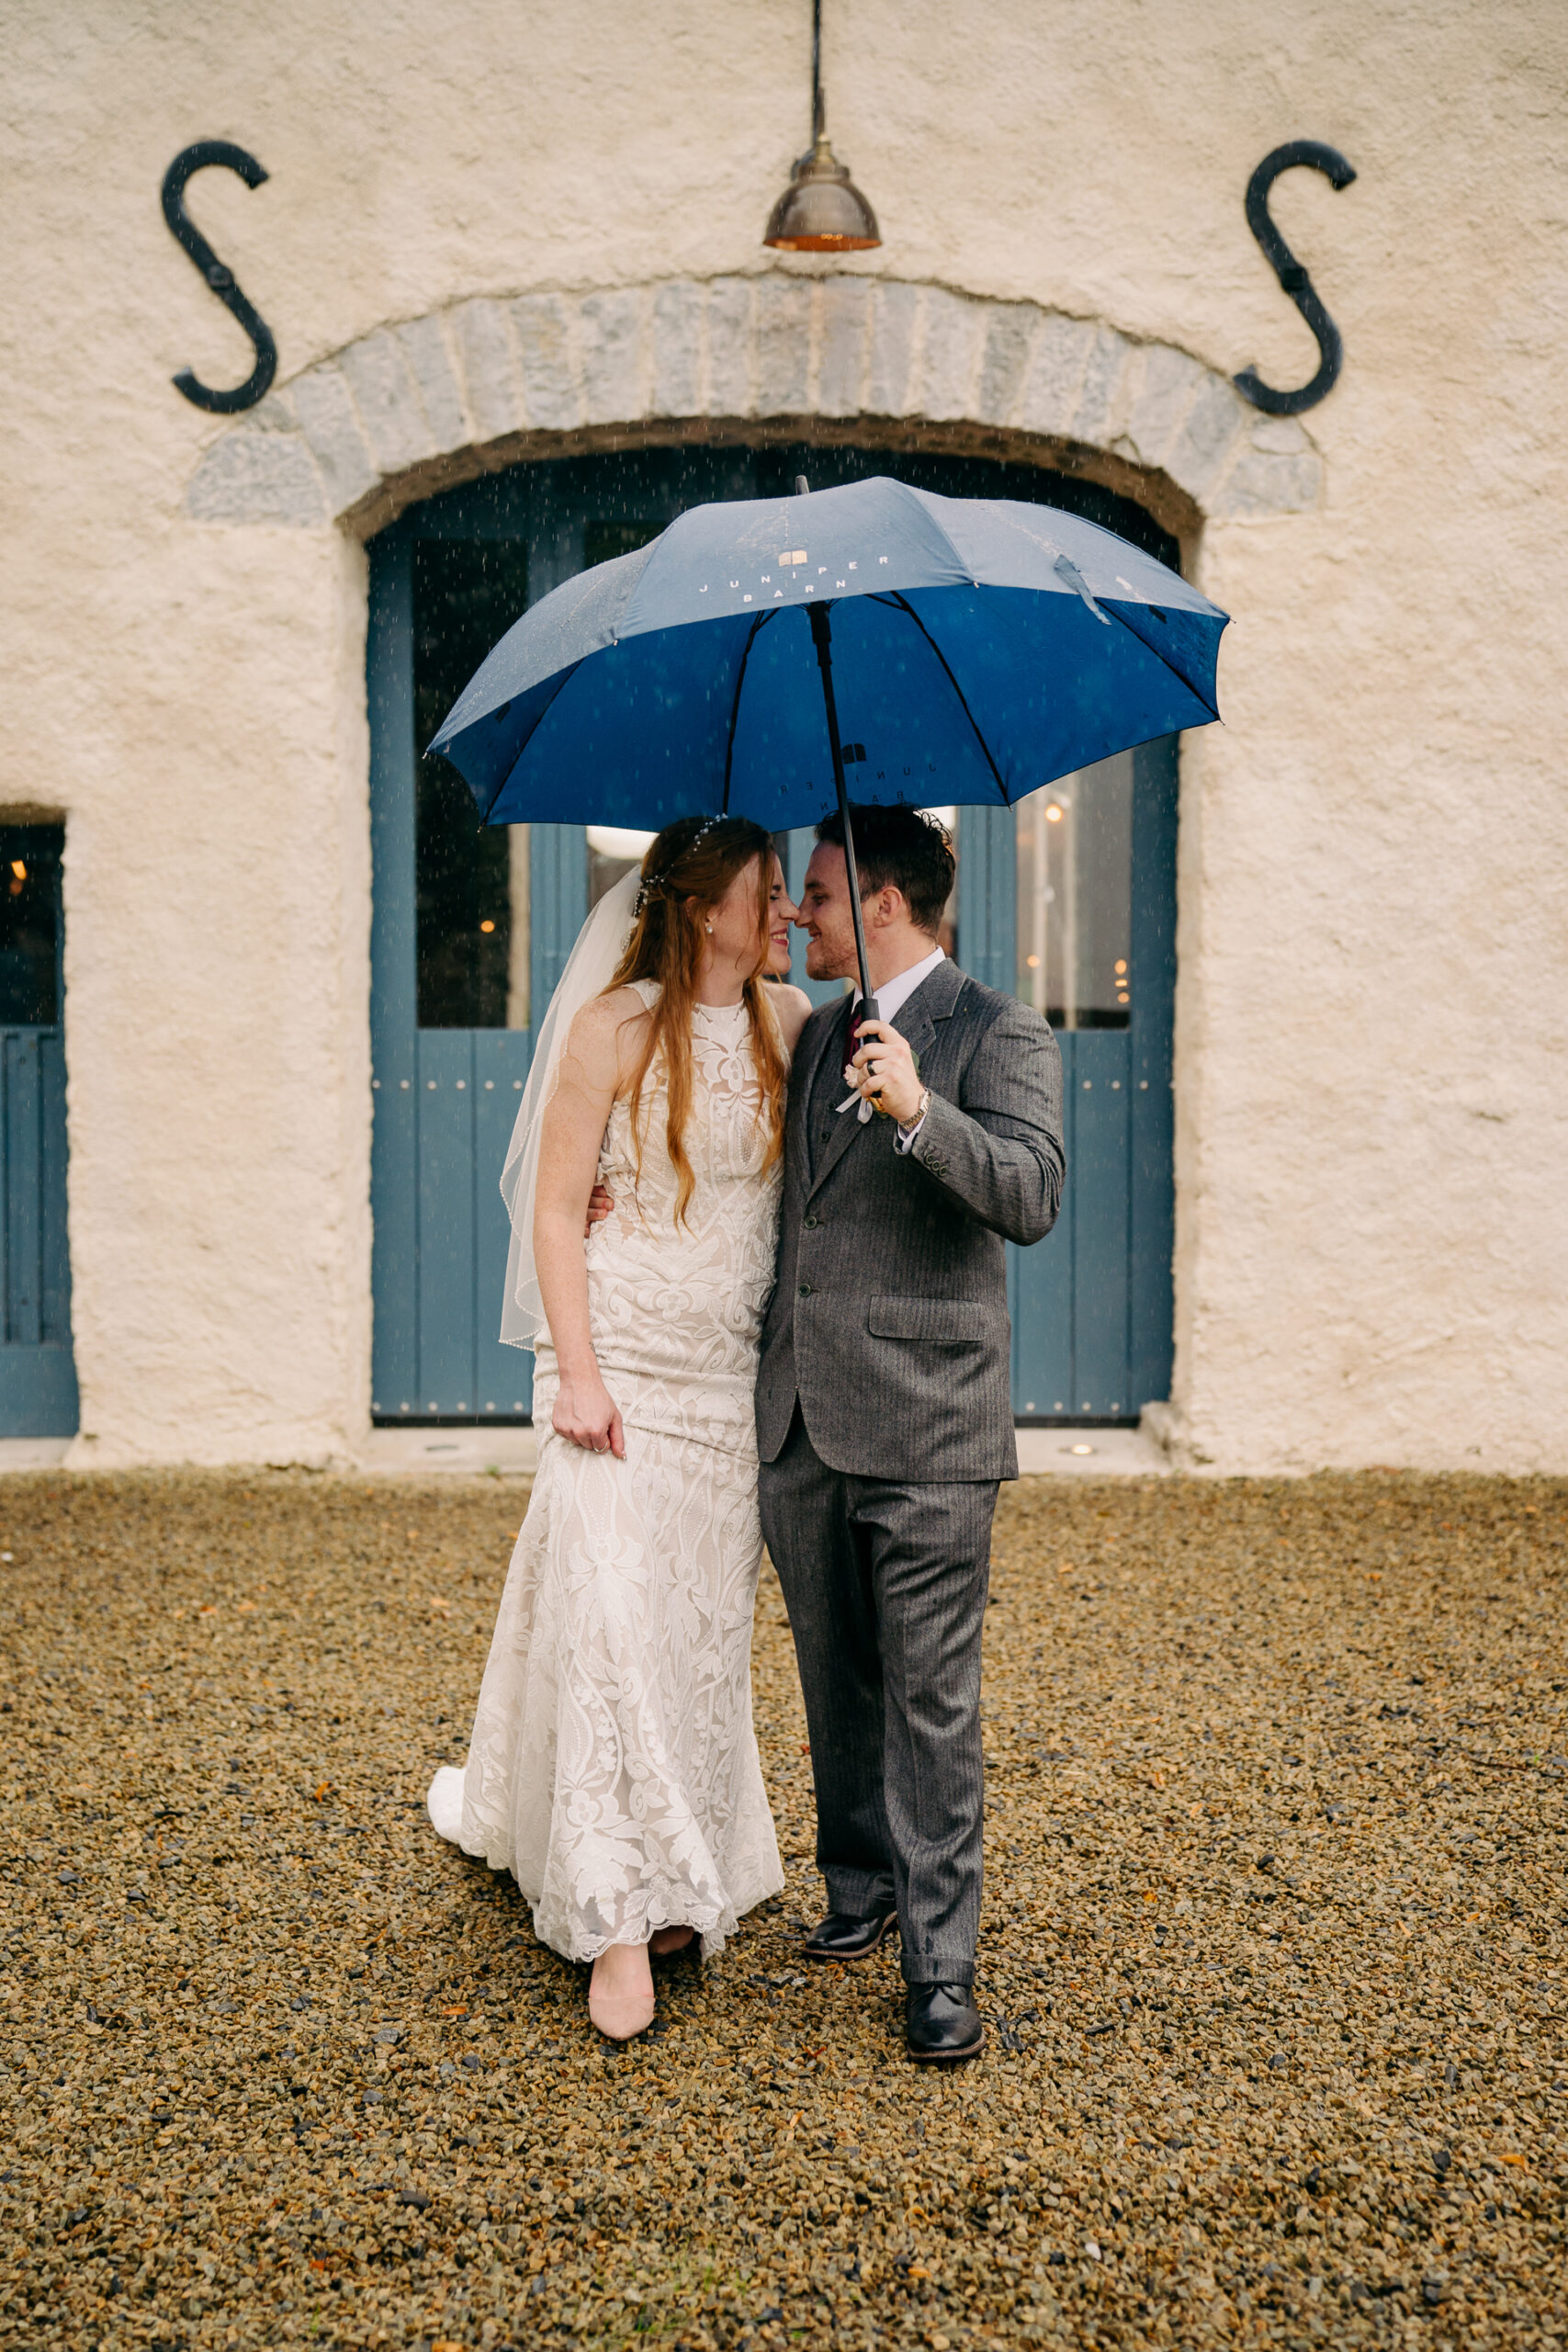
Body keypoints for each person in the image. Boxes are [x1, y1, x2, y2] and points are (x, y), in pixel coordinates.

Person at [427, 817, 812, 2042]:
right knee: (604, 1613)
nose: (787, 915)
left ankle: (683, 1859)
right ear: (706, 907)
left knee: (691, 1633)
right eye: (769, 894)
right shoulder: (610, 1028)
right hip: (617, 1365)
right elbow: (553, 1214)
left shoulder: (795, 1026)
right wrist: (578, 1375)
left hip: (722, 1387)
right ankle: (610, 1913)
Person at [756, 804, 1066, 2064]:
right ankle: (860, 1882)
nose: (798, 915)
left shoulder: (1000, 1028)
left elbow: (1034, 1195)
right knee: (835, 1678)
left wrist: (925, 1114)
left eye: (818, 895)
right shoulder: (817, 1029)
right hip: (804, 1421)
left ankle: (941, 1965)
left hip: (933, 1424)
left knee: (933, 1704)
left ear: (884, 904)